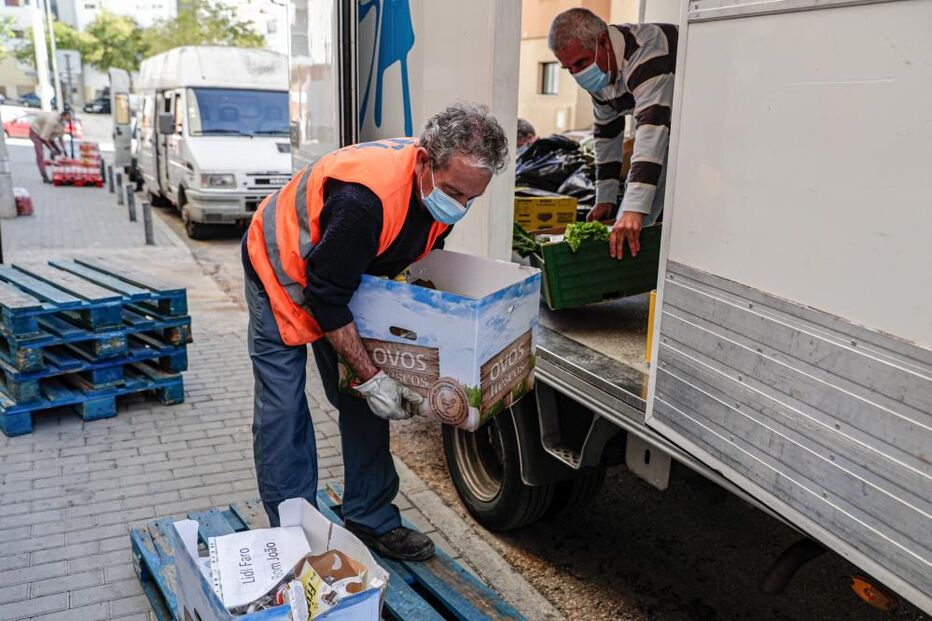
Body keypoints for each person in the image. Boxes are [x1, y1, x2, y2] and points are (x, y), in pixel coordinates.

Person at [242, 103, 508, 561]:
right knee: (284, 408)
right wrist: (372, 376)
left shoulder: (438, 192)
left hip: (342, 276)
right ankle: (295, 537)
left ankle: (371, 516)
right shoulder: (363, 202)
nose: (459, 207)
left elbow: (404, 265)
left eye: (472, 198)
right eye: (454, 193)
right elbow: (325, 296)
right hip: (280, 268)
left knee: (362, 396)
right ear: (424, 161)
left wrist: (393, 362)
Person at [548, 9, 676, 259]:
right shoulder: (601, 71)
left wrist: (633, 209)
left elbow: (651, 131)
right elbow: (606, 134)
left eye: (580, 63)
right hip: (665, 126)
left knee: (640, 210)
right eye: (568, 68)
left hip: (701, 124)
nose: (577, 75)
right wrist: (605, 198)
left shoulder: (647, 52)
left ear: (604, 42)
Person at [29, 108, 71, 183]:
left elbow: (60, 137)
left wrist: (64, 150)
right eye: (68, 119)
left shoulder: (61, 122)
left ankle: (52, 159)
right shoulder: (52, 121)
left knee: (58, 151)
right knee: (40, 155)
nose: (68, 121)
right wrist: (51, 148)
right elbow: (44, 137)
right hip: (36, 132)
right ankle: (44, 176)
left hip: (46, 134)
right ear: (64, 116)